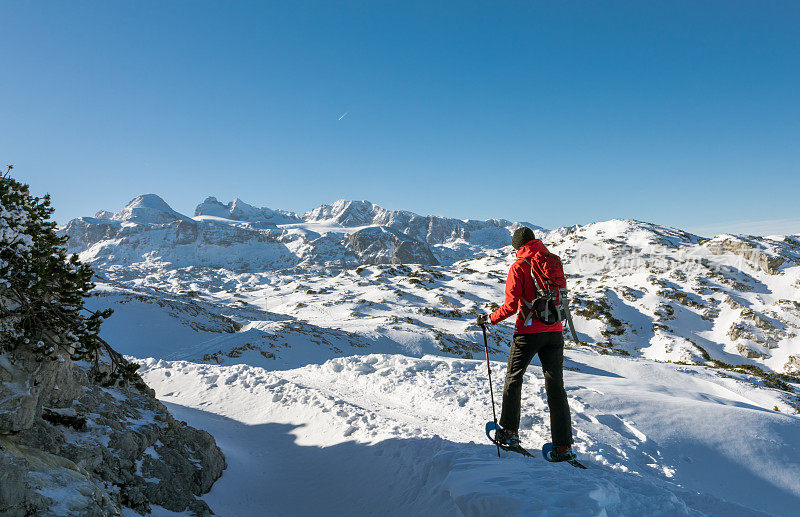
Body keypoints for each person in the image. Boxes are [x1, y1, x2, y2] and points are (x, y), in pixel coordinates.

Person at [477, 227, 575, 462]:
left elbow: (511, 307)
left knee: (514, 378)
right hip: (555, 331)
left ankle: (509, 433)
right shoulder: (552, 262)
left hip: (528, 332)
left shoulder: (519, 266)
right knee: (556, 388)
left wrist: (488, 319)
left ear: (518, 247)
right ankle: (563, 447)